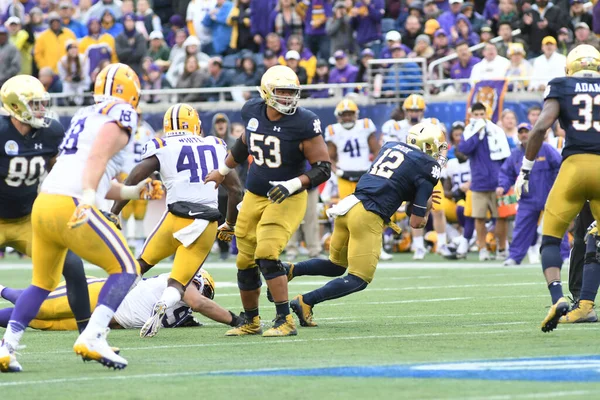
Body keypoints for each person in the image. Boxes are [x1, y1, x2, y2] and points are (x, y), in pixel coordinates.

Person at [0, 63, 164, 373]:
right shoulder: (120, 112)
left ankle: (6, 347)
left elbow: (97, 174)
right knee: (127, 268)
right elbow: (97, 159)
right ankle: (93, 335)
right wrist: (89, 195)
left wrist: (133, 192)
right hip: (71, 202)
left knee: (41, 284)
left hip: (44, 204)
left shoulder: (84, 115)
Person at [204, 65, 331, 337]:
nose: (287, 98)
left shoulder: (303, 121)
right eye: (281, 92)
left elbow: (323, 167)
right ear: (266, 92)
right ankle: (251, 321)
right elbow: (242, 145)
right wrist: (222, 171)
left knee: (267, 254)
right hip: (254, 195)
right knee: (244, 260)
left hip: (287, 198)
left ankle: (284, 319)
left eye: (291, 92)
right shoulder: (252, 111)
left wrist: (293, 183)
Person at [287, 123, 445, 327]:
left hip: (348, 206)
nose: (440, 153)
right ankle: (306, 301)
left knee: (336, 266)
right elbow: (416, 222)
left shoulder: (390, 147)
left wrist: (415, 199)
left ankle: (290, 269)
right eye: (438, 147)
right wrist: (427, 205)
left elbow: (396, 186)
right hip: (368, 215)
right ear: (428, 146)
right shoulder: (427, 168)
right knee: (359, 278)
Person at [111, 103, 243, 338]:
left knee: (140, 264)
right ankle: (164, 302)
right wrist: (230, 224)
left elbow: (135, 177)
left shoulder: (163, 144)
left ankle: (108, 305)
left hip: (174, 219)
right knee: (177, 283)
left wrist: (115, 210)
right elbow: (236, 191)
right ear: (195, 124)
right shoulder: (214, 144)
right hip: (204, 222)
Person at [0, 74, 92, 361]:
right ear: (15, 106)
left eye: (42, 104)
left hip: (29, 218)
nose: (41, 110)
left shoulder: (51, 131)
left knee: (73, 266)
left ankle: (89, 338)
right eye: (34, 104)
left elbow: (60, 167)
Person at [514, 45, 600, 332]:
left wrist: (525, 169)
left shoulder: (562, 85)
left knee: (550, 238)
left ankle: (557, 297)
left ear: (569, 67)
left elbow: (540, 128)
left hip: (574, 167)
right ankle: (585, 305)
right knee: (597, 240)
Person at [0, 269, 246, 330]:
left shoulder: (179, 309)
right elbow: (199, 303)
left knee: (36, 321)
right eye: (204, 290)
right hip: (102, 294)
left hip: (106, 319)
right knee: (39, 308)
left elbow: (188, 311)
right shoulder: (184, 280)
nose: (202, 295)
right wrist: (235, 320)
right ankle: (2, 289)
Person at [381, 94, 452, 259]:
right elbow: (388, 147)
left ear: (423, 110)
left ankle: (442, 244)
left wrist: (440, 161)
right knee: (414, 208)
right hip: (409, 173)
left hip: (430, 170)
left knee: (439, 209)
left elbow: (443, 145)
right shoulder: (395, 127)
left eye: (417, 110)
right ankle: (418, 246)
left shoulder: (433, 124)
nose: (414, 113)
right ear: (405, 111)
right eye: (411, 110)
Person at [498, 123, 567, 266]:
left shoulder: (546, 149)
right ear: (517, 135)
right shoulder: (515, 154)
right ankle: (514, 257)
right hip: (527, 200)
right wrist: (502, 186)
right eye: (521, 132)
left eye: (527, 132)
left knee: (557, 226)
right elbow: (506, 173)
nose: (524, 135)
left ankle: (565, 255)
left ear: (533, 133)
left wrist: (558, 187)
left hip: (549, 196)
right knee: (521, 228)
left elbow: (561, 167)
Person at [459, 102, 511, 261]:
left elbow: (505, 157)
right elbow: (464, 150)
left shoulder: (496, 130)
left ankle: (501, 248)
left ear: (486, 114)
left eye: (482, 114)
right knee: (479, 218)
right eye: (477, 115)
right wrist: (477, 135)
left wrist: (505, 181)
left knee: (501, 217)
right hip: (479, 182)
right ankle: (482, 249)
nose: (480, 118)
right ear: (471, 115)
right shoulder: (469, 131)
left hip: (497, 183)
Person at [117, 107, 156, 255]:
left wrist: (152, 174)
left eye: (139, 115)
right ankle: (124, 241)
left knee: (140, 210)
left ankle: (139, 242)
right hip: (125, 173)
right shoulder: (123, 129)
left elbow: (152, 153)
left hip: (142, 173)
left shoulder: (147, 130)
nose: (137, 117)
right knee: (124, 209)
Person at [325, 99, 379, 200]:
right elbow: (329, 158)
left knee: (367, 205)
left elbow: (376, 150)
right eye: (344, 115)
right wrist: (337, 171)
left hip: (365, 173)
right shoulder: (333, 130)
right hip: (344, 175)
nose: (347, 118)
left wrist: (373, 169)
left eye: (350, 114)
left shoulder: (365, 126)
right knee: (346, 208)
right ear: (338, 116)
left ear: (356, 114)